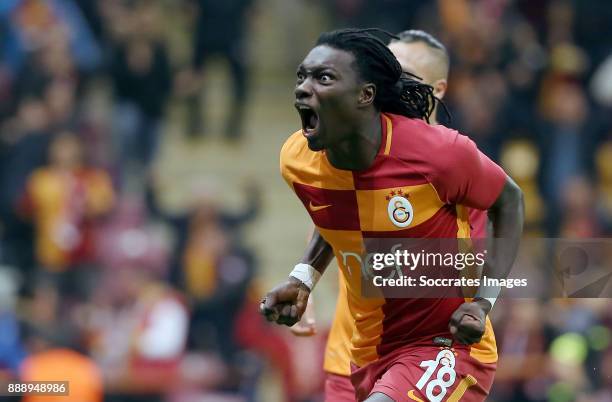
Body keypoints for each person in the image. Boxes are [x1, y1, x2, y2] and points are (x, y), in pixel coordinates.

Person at [261, 28, 524, 402]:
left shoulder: (445, 159)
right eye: (302, 76)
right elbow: (340, 218)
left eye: (323, 77)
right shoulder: (299, 161)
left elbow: (509, 202)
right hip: (359, 351)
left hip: (440, 345)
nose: (303, 88)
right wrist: (303, 277)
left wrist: (484, 301)